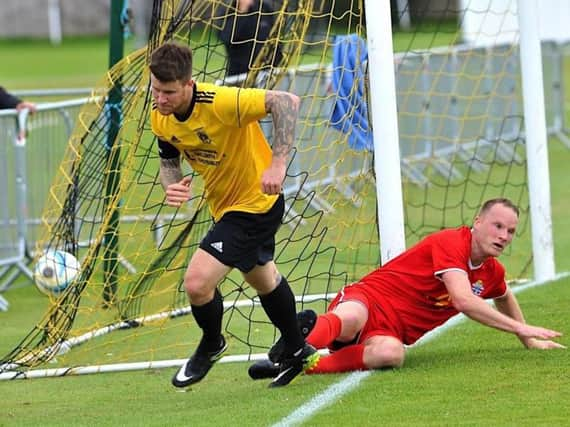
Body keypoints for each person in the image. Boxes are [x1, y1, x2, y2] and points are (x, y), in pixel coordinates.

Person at [149, 42, 317, 388]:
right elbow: (169, 160)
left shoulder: (220, 101)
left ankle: (212, 344)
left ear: (189, 84)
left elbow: (286, 101)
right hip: (225, 206)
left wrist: (278, 163)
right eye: (155, 90)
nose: (160, 99)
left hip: (256, 204)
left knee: (197, 283)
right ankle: (296, 348)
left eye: (168, 92)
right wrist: (171, 185)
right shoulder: (160, 115)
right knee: (263, 279)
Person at [250, 198, 565, 378]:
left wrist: (527, 338)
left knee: (392, 354)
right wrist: (523, 329)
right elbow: (464, 300)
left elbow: (504, 295)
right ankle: (297, 340)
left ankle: (306, 363)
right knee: (351, 318)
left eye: (510, 231)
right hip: (370, 298)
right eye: (498, 225)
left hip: (390, 332)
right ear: (477, 222)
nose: (504, 235)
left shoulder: (492, 272)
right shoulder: (453, 243)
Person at [218, 0, 283, 80]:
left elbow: (275, 40)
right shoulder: (228, 12)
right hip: (239, 76)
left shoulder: (264, 9)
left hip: (267, 74)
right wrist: (242, 11)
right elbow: (227, 38)